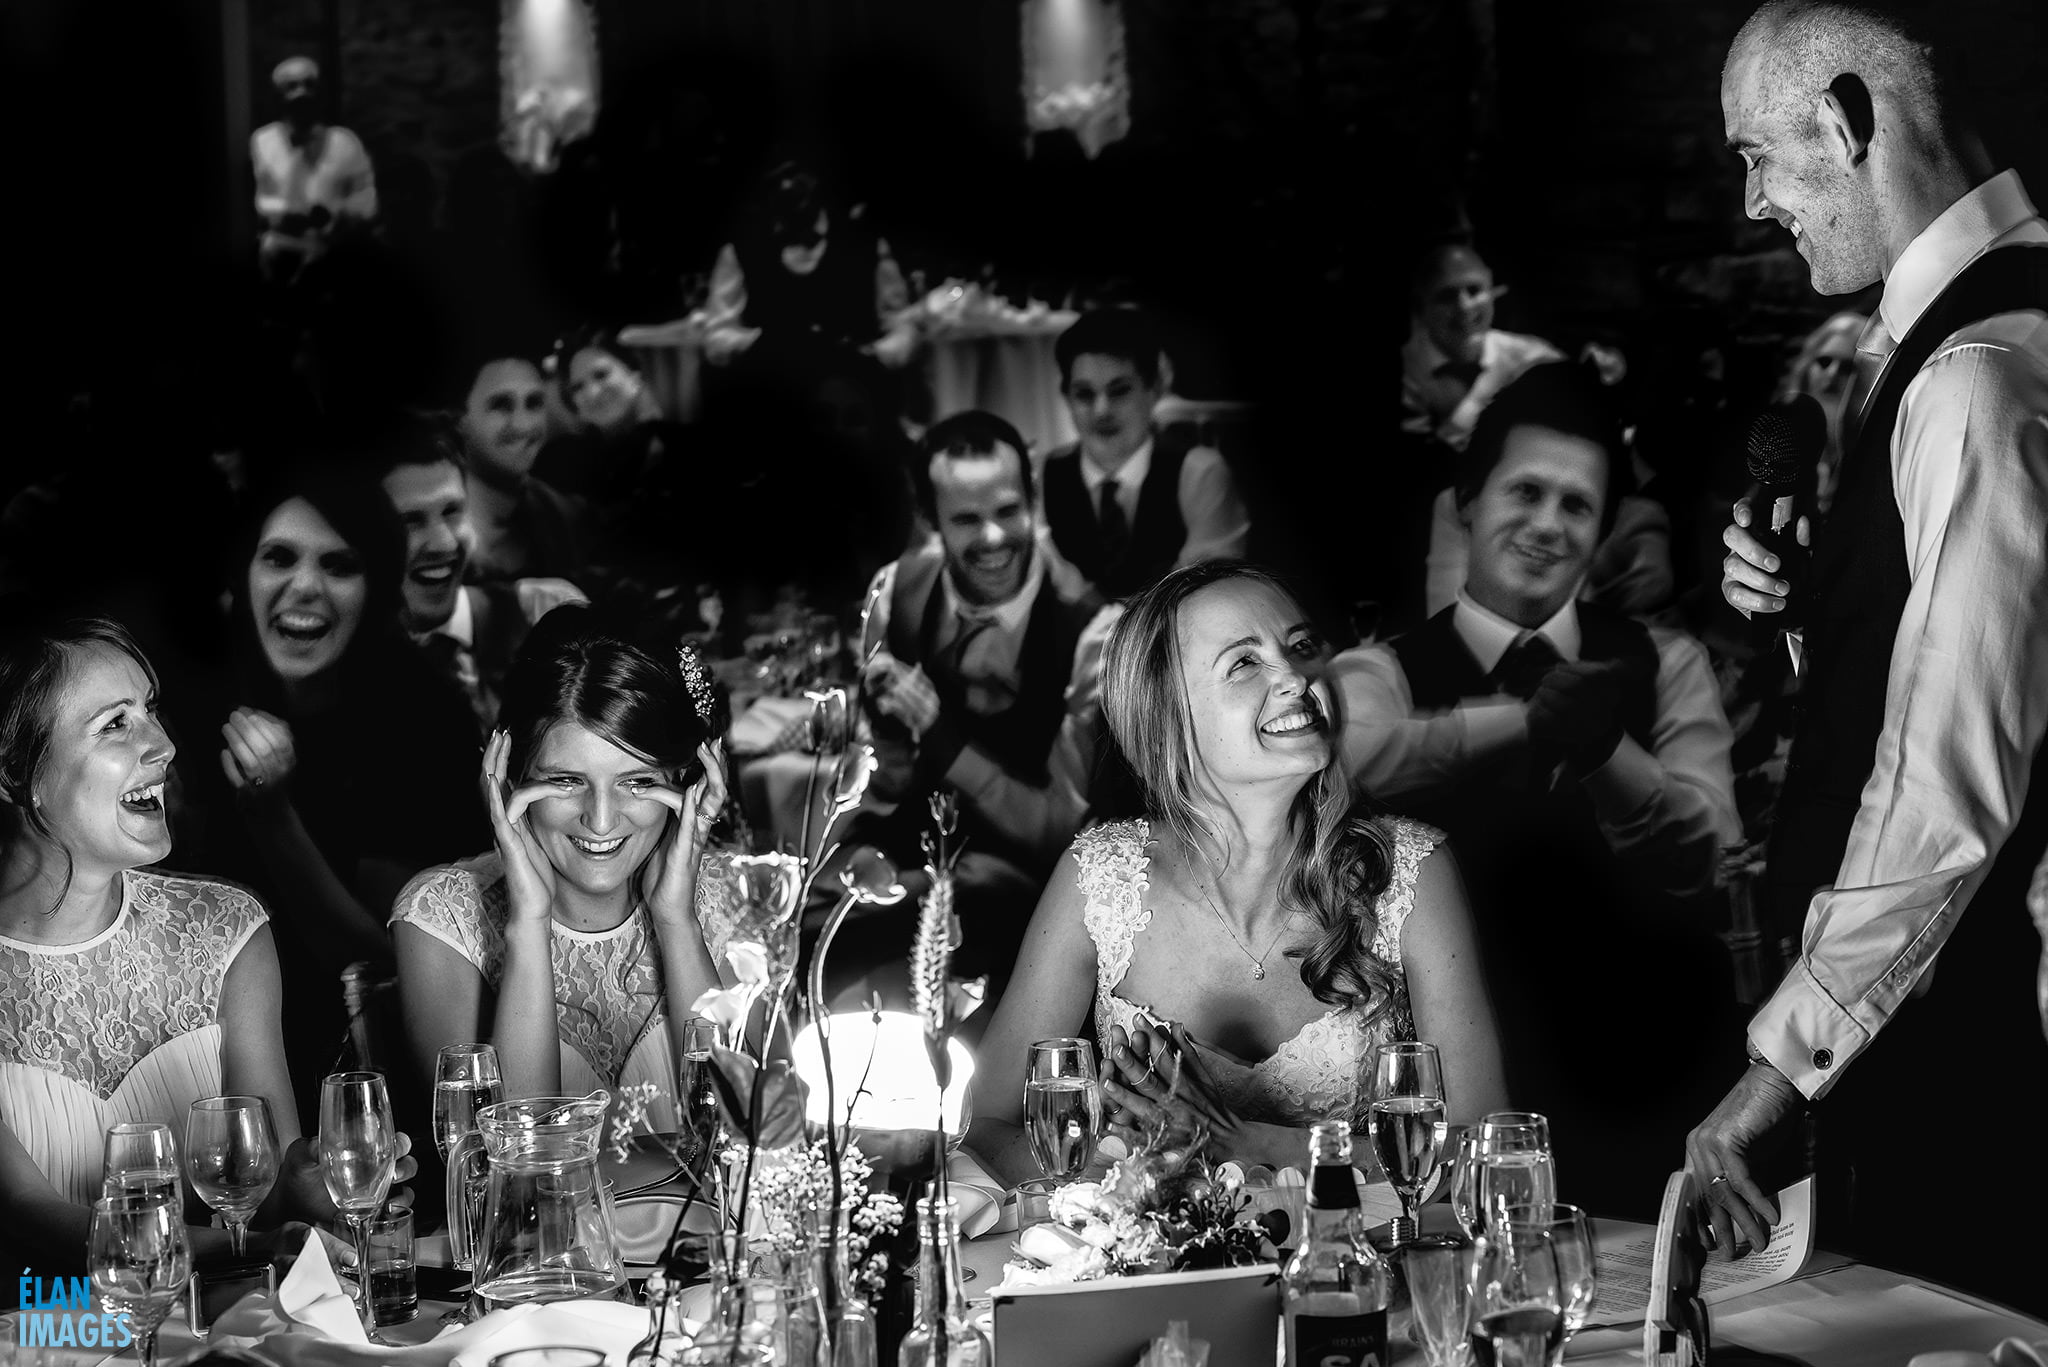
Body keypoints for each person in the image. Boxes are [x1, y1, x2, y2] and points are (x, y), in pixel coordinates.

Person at [1698, 0, 2048, 1312]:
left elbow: (1948, 776)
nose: (1751, 203)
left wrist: (1779, 1068)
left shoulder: (1975, 374)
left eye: (1756, 155)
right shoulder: (1984, 329)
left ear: (1844, 123)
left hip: (1981, 1038)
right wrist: (1824, 612)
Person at [1333, 361, 1741, 1214]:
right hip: (1451, 1089)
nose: (1549, 523)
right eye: (1526, 491)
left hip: (1656, 1076)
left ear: (1602, 530)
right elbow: (1361, 763)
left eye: (1577, 505)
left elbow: (1708, 852)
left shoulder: (1668, 661)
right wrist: (1528, 718)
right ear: (1467, 500)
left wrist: (1606, 749)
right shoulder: (1376, 672)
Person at [966, 562, 1508, 1187]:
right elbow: (988, 1128)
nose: (1296, 677)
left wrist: (1240, 1142)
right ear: (1168, 719)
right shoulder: (1100, 881)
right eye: (1245, 663)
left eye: (1300, 647)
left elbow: (1485, 1150)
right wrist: (1129, 1182)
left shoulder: (1410, 874)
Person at [0, 615, 409, 1276]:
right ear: (15, 771)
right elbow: (24, 1211)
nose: (163, 745)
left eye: (151, 711)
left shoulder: (223, 929)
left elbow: (267, 1190)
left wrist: (305, 1190)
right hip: (45, 1326)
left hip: (216, 1321)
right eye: (115, 724)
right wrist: (251, 1250)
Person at [168, 463, 486, 1122]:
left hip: (359, 1081)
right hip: (198, 1052)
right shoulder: (190, 699)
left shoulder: (425, 717)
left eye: (339, 565)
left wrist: (273, 815)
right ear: (242, 575)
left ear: (377, 587)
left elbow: (381, 960)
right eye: (279, 557)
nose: (305, 586)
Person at [820, 412, 1119, 1010]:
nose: (992, 537)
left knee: (851, 924)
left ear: (1033, 500)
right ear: (930, 520)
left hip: (1025, 879)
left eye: (1008, 510)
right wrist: (887, 736)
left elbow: (1059, 832)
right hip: (910, 840)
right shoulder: (895, 591)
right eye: (965, 519)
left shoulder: (1093, 632)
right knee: (813, 907)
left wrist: (942, 737)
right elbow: (885, 783)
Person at [390, 605, 738, 1111]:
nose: (601, 821)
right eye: (566, 781)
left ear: (686, 782)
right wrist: (529, 921)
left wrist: (677, 921)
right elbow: (504, 1151)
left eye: (638, 782)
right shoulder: (443, 917)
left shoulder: (732, 897)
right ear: (510, 776)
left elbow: (744, 1135)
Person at [374, 417, 587, 735]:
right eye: (411, 521)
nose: (444, 543)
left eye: (452, 511)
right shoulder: (350, 674)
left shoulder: (544, 612)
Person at [1039, 308, 1251, 600]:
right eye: (1084, 394)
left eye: (1119, 391)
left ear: (1154, 390)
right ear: (1067, 398)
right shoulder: (1045, 474)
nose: (1101, 411)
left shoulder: (1201, 472)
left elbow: (1208, 591)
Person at [1400, 244, 1564, 452]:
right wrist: (1481, 399)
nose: (1465, 307)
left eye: (1474, 290)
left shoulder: (1531, 355)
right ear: (1421, 307)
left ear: (1492, 292)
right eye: (1447, 296)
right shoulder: (1407, 372)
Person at [449, 348, 587, 584]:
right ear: (460, 420)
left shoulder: (565, 514)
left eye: (533, 403)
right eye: (501, 405)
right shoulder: (437, 527)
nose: (523, 425)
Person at [250, 57, 378, 285]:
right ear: (278, 94)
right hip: (283, 247)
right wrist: (290, 215)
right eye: (292, 86)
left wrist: (335, 215)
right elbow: (262, 198)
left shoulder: (345, 143)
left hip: (334, 249)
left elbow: (366, 199)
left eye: (309, 85)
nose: (302, 94)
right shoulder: (264, 141)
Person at [1773, 310, 1868, 514]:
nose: (1832, 374)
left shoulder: (1872, 450)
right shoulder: (1777, 439)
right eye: (1824, 361)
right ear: (1807, 367)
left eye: (1847, 367)